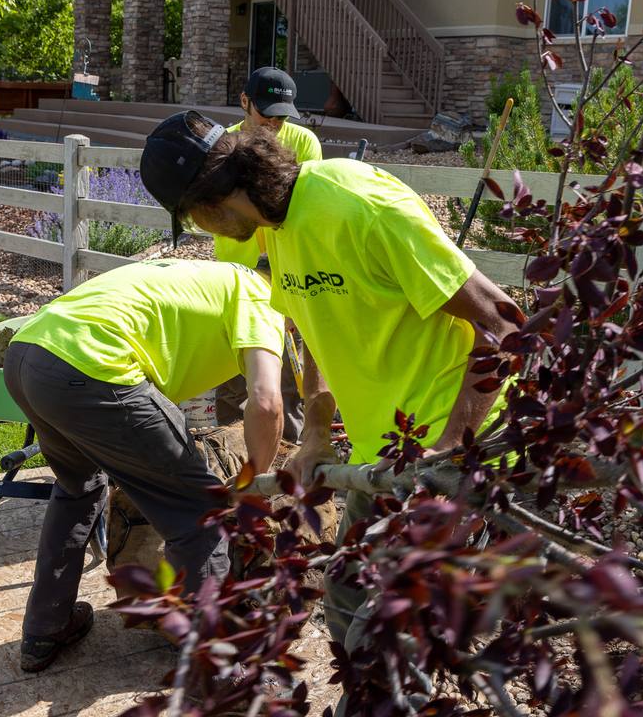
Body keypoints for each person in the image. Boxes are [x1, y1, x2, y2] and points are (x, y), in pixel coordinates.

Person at [138, 111, 523, 710]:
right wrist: (316, 432)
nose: (197, 229)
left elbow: (502, 323)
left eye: (192, 216)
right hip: (383, 452)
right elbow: (311, 330)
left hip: (450, 446)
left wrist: (450, 455)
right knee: (346, 599)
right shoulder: (279, 227)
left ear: (217, 195)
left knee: (397, 630)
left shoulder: (353, 201)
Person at [2, 258, 285, 672]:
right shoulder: (264, 297)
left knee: (78, 488)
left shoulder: (211, 277)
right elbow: (266, 400)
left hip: (27, 354)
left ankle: (46, 627)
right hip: (94, 367)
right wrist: (253, 484)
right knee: (199, 513)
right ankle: (217, 670)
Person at [213, 67, 321, 441]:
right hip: (234, 274)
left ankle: (290, 461)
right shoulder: (223, 146)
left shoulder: (303, 143)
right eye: (266, 113)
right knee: (229, 376)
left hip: (283, 274)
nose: (274, 122)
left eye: (281, 115)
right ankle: (229, 450)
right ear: (244, 101)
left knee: (287, 379)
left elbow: (303, 210)